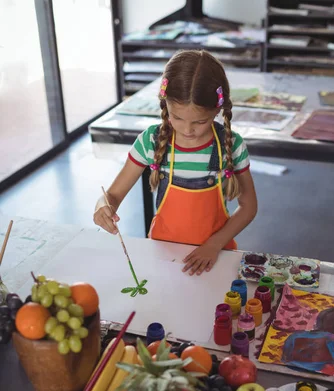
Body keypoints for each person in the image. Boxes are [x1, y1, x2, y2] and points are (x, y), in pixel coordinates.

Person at [94, 50, 257, 276]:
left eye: (200, 121)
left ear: (218, 110)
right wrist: (102, 207)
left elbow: (249, 206)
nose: (188, 130)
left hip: (216, 257)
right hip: (162, 256)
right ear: (165, 104)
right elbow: (111, 195)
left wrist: (214, 244)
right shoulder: (151, 141)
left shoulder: (231, 145)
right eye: (177, 117)